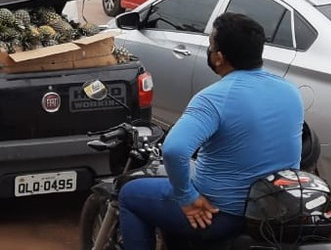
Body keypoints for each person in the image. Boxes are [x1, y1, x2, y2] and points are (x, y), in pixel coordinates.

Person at [118, 13, 303, 249]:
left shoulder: (214, 98)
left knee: (130, 195)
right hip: (276, 210)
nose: (209, 50)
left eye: (211, 46)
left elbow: (174, 150)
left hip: (222, 214)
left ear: (219, 57)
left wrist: (187, 198)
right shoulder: (290, 91)